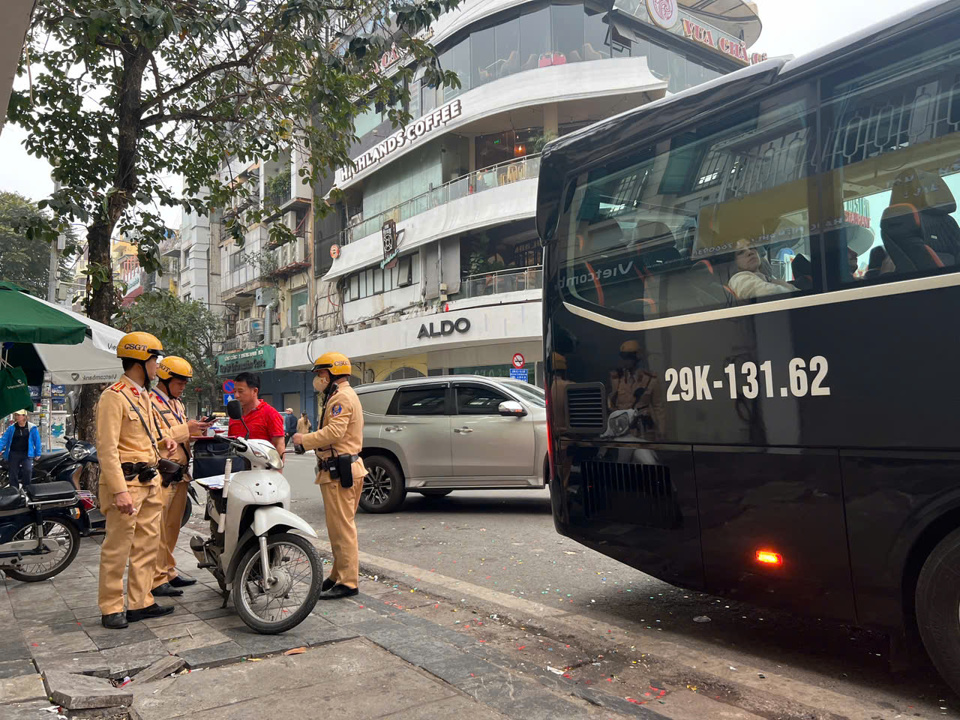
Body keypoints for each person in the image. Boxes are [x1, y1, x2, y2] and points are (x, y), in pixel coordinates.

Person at [95, 331, 178, 629]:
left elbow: (142, 438)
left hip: (149, 481)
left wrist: (163, 444)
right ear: (141, 361)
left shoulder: (141, 396)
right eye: (155, 360)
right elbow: (106, 449)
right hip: (127, 484)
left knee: (146, 545)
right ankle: (111, 606)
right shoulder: (113, 396)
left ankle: (140, 601)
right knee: (118, 547)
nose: (157, 366)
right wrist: (119, 490)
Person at [292, 352, 367, 600]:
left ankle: (347, 582)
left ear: (332, 374)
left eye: (321, 374)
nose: (318, 379)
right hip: (343, 468)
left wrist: (305, 440)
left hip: (340, 470)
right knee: (340, 528)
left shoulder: (341, 398)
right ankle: (338, 574)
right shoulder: (338, 395)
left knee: (342, 530)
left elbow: (335, 432)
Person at [149, 356, 211, 598]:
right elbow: (154, 434)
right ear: (164, 379)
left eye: (185, 382)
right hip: (162, 472)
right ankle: (155, 578)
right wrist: (187, 429)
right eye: (179, 381)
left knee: (173, 526)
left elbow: (180, 435)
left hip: (181, 473)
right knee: (159, 528)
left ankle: (168, 571)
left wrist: (195, 431)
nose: (183, 386)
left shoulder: (178, 405)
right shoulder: (150, 402)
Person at [229, 372, 285, 454]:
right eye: (235, 391)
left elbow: (279, 444)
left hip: (262, 465)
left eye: (240, 391)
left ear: (255, 391)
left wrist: (278, 466)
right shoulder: (235, 415)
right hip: (237, 465)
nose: (236, 395)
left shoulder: (270, 413)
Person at [728, 241, 798, 299]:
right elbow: (770, 293)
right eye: (741, 252)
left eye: (752, 248)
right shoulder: (739, 279)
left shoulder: (767, 278)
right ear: (733, 262)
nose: (750, 252)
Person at [0, 410, 41, 488]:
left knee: (28, 470)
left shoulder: (32, 428)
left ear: (24, 416)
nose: (17, 417)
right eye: (16, 415)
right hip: (14, 453)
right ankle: (14, 489)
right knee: (13, 472)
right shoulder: (11, 428)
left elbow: (37, 441)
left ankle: (26, 487)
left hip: (27, 453)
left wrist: (37, 453)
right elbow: (4, 440)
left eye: (19, 415)